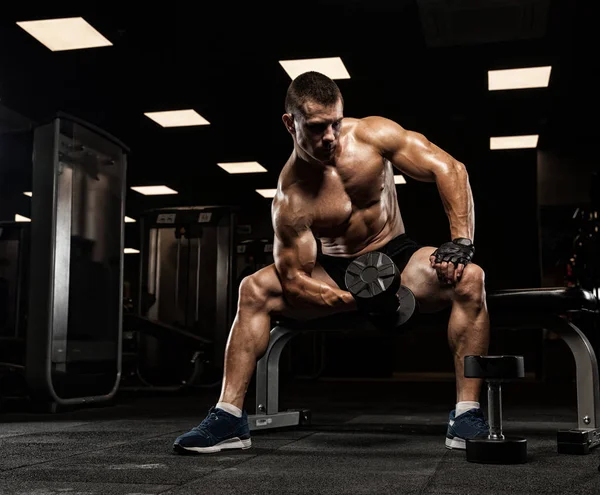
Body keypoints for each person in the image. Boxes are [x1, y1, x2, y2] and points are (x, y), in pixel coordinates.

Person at [173, 71, 490, 454]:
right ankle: (228, 417)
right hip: (338, 271)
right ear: (291, 123)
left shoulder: (374, 135)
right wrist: (359, 300)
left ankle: (467, 413)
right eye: (318, 127)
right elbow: (294, 280)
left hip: (398, 255)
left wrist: (460, 240)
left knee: (470, 277)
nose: (330, 137)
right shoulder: (291, 198)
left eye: (336, 124)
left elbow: (450, 169)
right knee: (254, 289)